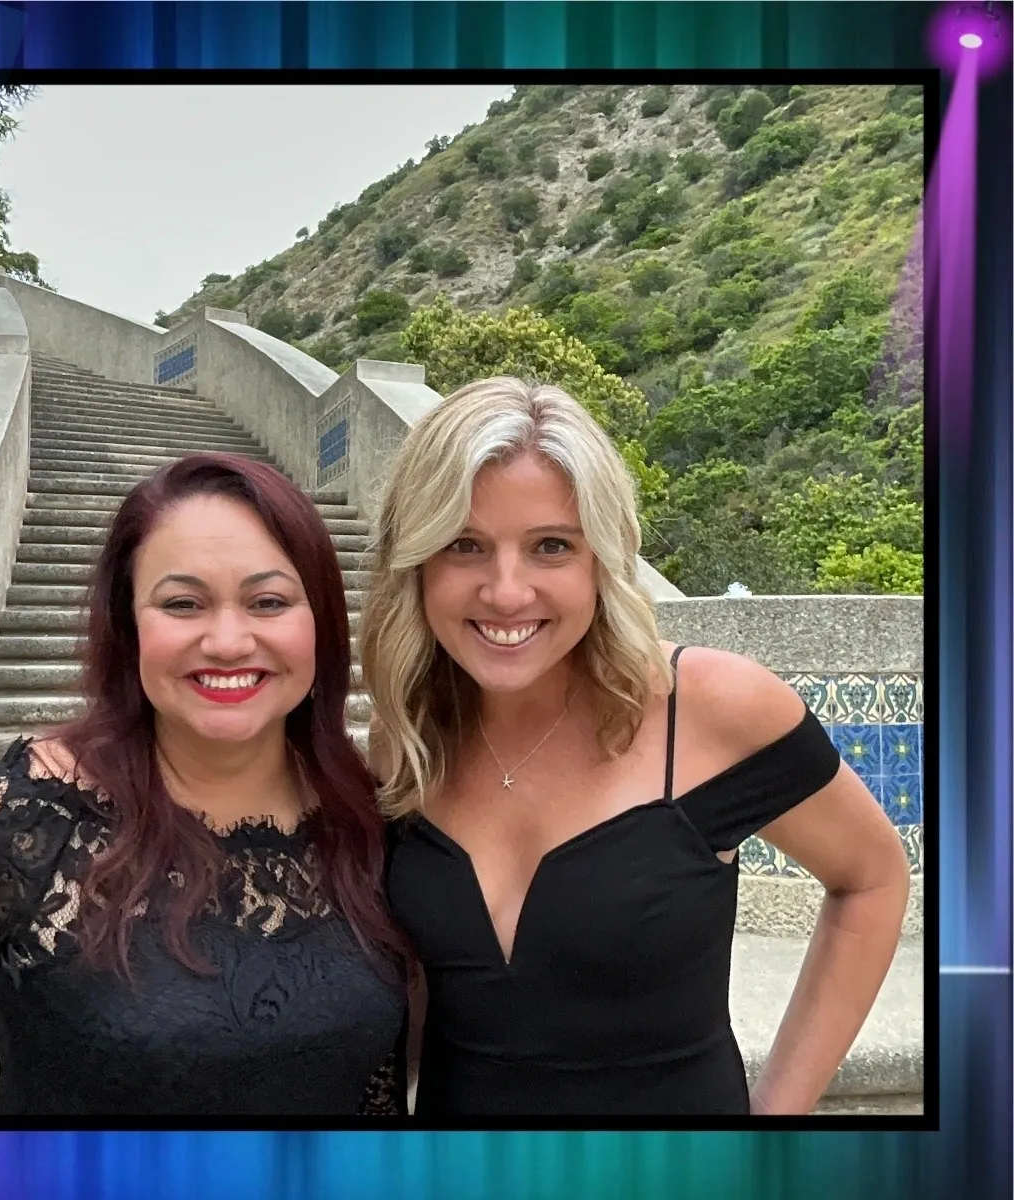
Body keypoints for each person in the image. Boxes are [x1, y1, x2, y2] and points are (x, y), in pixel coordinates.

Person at [361, 376, 911, 1117]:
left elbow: (873, 877)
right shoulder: (412, 738)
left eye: (551, 546)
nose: (506, 591)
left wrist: (779, 1117)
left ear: (602, 558)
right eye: (465, 545)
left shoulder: (711, 710)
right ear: (418, 560)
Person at [0, 452, 408, 1116]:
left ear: (321, 623)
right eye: (183, 603)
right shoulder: (26, 821)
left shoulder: (364, 820)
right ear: (130, 626)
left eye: (268, 601)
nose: (227, 640)